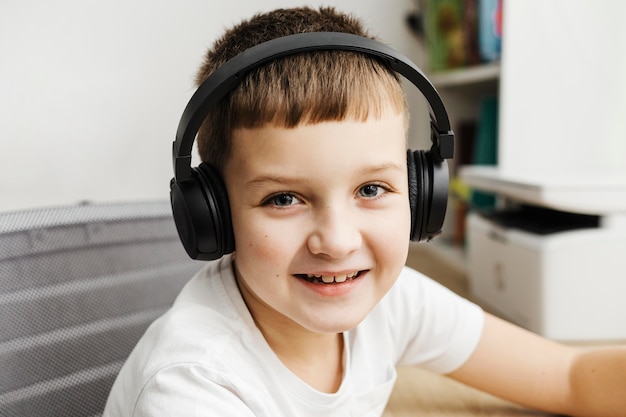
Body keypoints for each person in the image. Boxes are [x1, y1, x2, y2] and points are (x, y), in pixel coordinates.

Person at [103, 6, 626, 417]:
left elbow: (572, 376)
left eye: (372, 188)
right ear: (212, 215)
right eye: (284, 198)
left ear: (422, 192)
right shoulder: (192, 389)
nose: (337, 241)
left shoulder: (391, 303)